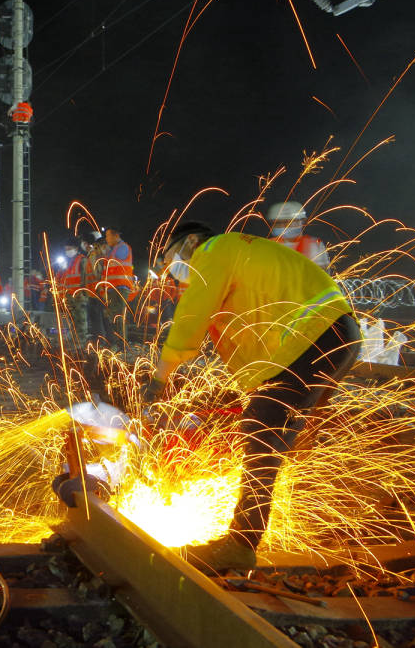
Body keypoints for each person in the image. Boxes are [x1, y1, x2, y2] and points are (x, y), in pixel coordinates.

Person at [150, 221, 359, 570]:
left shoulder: (214, 251)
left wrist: (160, 375)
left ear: (190, 242)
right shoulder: (235, 263)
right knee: (274, 428)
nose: (169, 269)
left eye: (169, 257)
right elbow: (244, 347)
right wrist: (256, 394)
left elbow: (190, 315)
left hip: (316, 333)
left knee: (262, 428)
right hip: (327, 335)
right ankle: (259, 531)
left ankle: (240, 544)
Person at [267, 201, 330, 272]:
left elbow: (323, 274)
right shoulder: (268, 246)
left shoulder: (314, 245)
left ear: (301, 222)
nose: (283, 226)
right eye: (278, 223)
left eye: (288, 222)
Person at [102, 227, 136, 343]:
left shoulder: (122, 247)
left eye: (108, 235)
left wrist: (106, 251)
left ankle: (121, 344)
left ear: (116, 235)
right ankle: (117, 343)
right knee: (113, 316)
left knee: (119, 317)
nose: (106, 238)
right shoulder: (114, 249)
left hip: (120, 288)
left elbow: (115, 261)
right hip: (113, 288)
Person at [54, 237, 89, 346]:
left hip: (79, 296)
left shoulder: (82, 260)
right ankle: (75, 340)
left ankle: (82, 341)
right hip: (69, 296)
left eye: (69, 248)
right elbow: (62, 278)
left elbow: (85, 278)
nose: (67, 251)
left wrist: (84, 293)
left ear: (76, 248)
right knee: (72, 321)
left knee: (81, 319)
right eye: (66, 249)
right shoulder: (67, 262)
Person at [80, 231, 108, 346]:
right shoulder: (92, 255)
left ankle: (101, 342)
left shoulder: (92, 255)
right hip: (94, 293)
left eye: (83, 243)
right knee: (98, 319)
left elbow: (97, 273)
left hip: (96, 293)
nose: (82, 245)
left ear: (87, 244)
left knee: (98, 320)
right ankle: (101, 342)